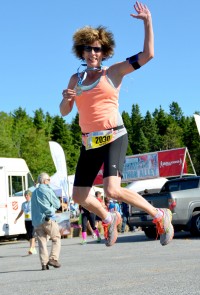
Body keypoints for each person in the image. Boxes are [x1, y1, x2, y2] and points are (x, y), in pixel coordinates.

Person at [60, 1, 174, 247]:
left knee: (112, 189)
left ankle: (159, 215)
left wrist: (147, 22)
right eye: (88, 49)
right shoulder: (75, 79)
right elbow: (64, 112)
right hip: (89, 141)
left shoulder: (112, 72)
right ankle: (109, 216)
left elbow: (148, 55)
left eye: (97, 49)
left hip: (113, 135)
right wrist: (66, 98)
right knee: (79, 195)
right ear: (81, 52)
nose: (92, 53)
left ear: (104, 52)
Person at [31, 172, 61, 270]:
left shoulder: (34, 192)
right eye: (49, 180)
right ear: (44, 181)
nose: (49, 182)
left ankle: (44, 264)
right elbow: (57, 204)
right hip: (48, 219)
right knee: (56, 238)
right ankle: (53, 258)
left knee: (42, 242)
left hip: (37, 221)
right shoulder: (47, 189)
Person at [14, 190, 37, 255]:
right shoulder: (23, 204)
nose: (26, 196)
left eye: (27, 195)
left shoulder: (33, 202)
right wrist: (16, 218)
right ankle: (33, 248)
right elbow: (21, 212)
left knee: (32, 234)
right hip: (26, 221)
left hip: (33, 220)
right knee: (29, 235)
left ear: (30, 195)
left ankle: (31, 248)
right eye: (25, 195)